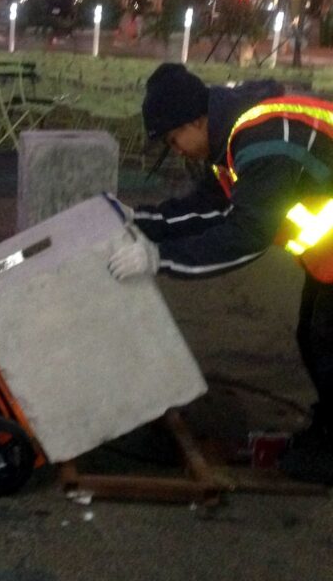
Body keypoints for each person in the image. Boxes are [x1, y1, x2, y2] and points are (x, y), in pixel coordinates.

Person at [108, 62, 333, 484]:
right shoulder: (232, 140)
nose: (177, 150)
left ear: (196, 120)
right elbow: (210, 206)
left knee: (326, 337)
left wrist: (160, 258)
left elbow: (246, 234)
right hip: (327, 256)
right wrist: (140, 222)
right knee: (314, 334)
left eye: (174, 139)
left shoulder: (264, 141)